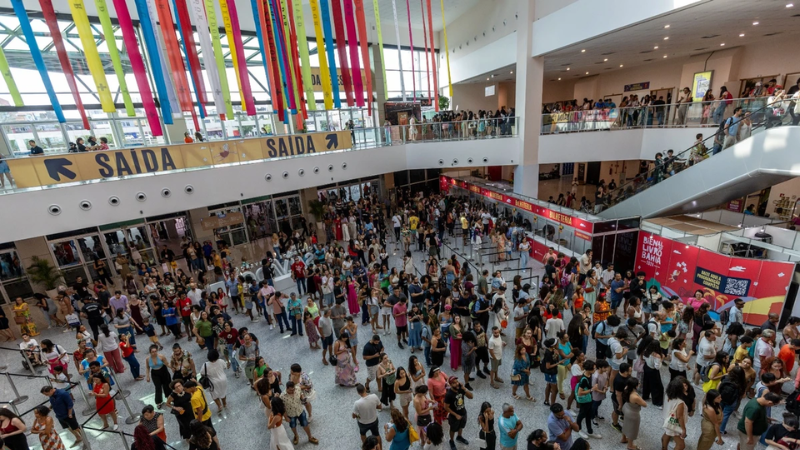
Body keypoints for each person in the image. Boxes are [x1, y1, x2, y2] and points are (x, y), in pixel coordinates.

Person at [281, 381, 319, 445]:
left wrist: (302, 397)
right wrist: (286, 417)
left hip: (300, 410)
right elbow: (282, 408)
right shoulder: (282, 396)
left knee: (305, 424)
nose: (293, 391)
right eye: (290, 390)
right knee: (293, 425)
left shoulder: (297, 388)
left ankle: (310, 437)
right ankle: (296, 435)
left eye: (293, 390)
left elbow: (301, 393)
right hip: (291, 414)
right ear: (286, 388)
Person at [444, 376, 473, 449]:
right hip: (454, 416)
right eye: (454, 383)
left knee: (461, 426)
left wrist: (464, 388)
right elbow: (446, 407)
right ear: (450, 385)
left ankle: (459, 437)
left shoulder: (461, 389)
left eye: (457, 381)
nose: (456, 384)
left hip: (463, 413)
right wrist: (456, 415)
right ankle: (451, 440)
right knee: (453, 429)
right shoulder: (449, 394)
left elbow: (471, 397)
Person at [661, 378, 688, 450]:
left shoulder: (668, 394)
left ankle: (664, 448)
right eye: (683, 386)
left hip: (667, 419)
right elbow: (680, 417)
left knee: (667, 433)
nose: (686, 387)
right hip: (675, 423)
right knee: (681, 445)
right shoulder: (680, 402)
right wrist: (683, 429)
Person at [620, 378, 646, 450]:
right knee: (632, 429)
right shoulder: (635, 396)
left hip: (626, 408)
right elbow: (644, 404)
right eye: (638, 383)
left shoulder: (626, 389)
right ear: (636, 386)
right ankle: (630, 445)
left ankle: (623, 438)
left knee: (626, 424)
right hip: (633, 413)